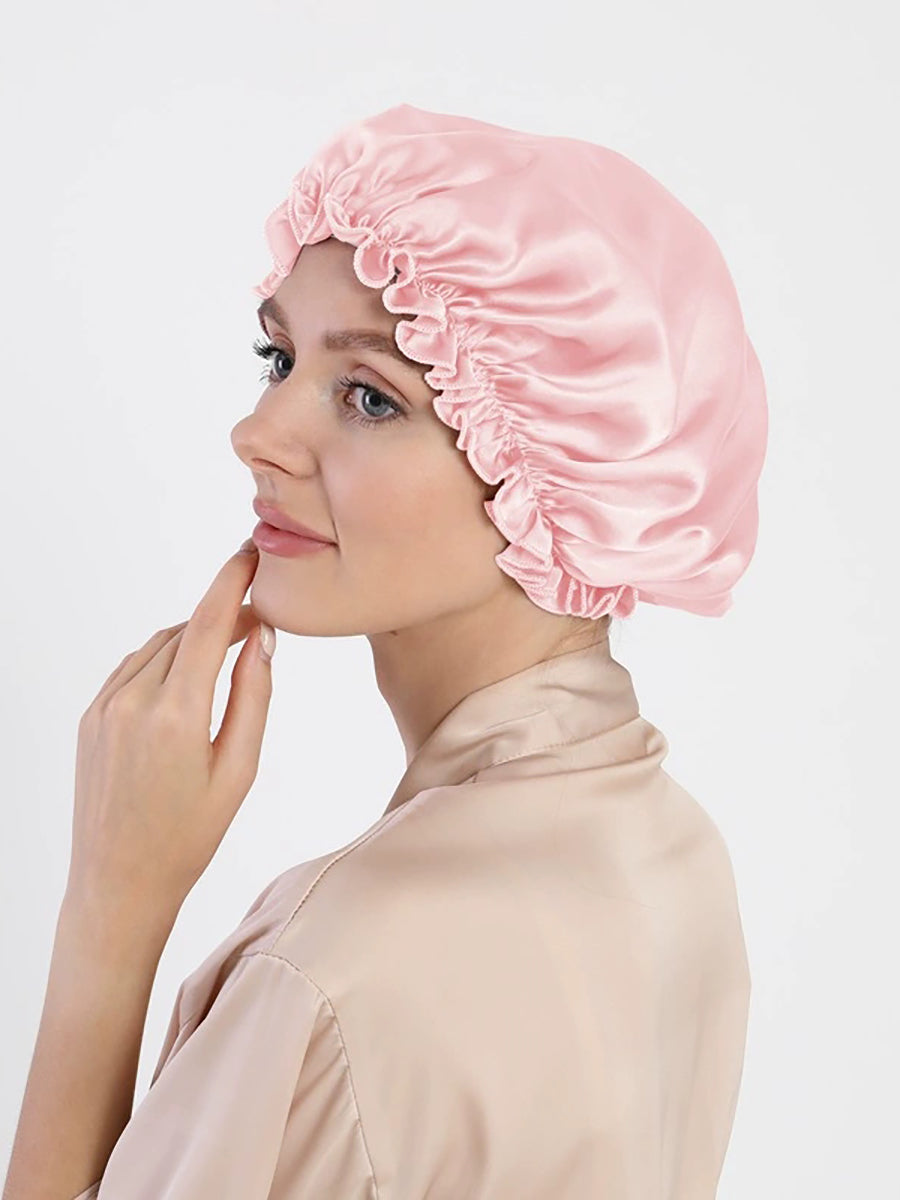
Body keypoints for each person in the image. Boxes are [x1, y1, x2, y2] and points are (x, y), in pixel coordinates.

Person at [6, 103, 767, 1199]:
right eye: (276, 357)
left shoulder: (330, 973)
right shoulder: (673, 855)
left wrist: (108, 919)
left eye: (370, 397)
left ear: (548, 470)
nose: (257, 434)